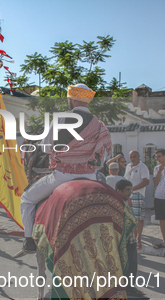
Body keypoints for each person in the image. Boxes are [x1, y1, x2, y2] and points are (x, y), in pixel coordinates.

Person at [19, 84, 112, 254]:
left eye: (69, 99)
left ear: (74, 99)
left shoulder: (61, 119)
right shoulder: (100, 125)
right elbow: (102, 157)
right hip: (91, 176)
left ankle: (29, 241)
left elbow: (47, 148)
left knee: (26, 199)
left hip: (62, 176)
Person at [115, 179, 146, 297]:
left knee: (131, 266)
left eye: (131, 190)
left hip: (130, 239)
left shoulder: (125, 201)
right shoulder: (117, 204)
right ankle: (125, 288)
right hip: (122, 240)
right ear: (119, 191)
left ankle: (128, 287)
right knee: (125, 265)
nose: (130, 192)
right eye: (128, 190)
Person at [125, 150, 150, 249]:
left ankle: (139, 238)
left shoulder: (142, 167)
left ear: (139, 156)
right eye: (131, 156)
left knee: (139, 217)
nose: (133, 158)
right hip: (128, 195)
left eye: (134, 156)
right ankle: (134, 237)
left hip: (137, 194)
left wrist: (133, 188)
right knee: (131, 217)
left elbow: (146, 181)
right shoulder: (128, 166)